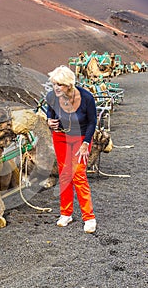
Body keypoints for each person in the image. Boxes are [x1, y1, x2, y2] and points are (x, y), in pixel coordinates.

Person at [46, 65, 97, 233]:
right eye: (54, 84)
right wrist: (49, 121)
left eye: (59, 84)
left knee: (78, 175)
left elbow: (92, 122)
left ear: (69, 84)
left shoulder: (87, 97)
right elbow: (50, 112)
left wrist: (85, 144)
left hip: (80, 138)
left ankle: (89, 218)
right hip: (60, 137)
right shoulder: (53, 97)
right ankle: (65, 213)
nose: (56, 88)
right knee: (65, 174)